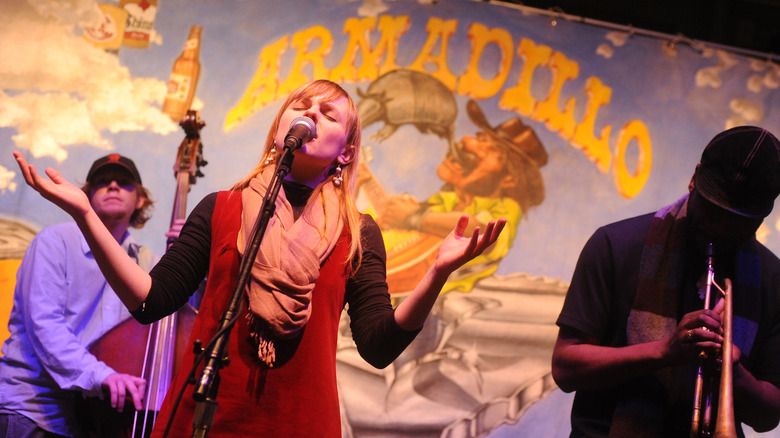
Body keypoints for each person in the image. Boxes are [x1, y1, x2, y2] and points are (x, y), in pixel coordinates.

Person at [13, 79, 506, 437]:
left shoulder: (359, 232)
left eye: (329, 114)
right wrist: (85, 216)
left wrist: (436, 273)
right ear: (280, 129)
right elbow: (150, 301)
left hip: (299, 422)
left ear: (345, 152)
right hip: (206, 414)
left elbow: (378, 345)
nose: (311, 113)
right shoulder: (223, 207)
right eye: (302, 105)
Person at [551, 126, 780, 437]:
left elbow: (768, 417)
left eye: (738, 223)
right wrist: (664, 351)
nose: (720, 229)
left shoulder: (773, 278)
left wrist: (733, 371)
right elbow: (565, 368)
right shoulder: (615, 244)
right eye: (712, 210)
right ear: (694, 178)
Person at [0, 154, 156, 437]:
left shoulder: (148, 265)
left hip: (93, 421)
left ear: (141, 200)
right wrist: (103, 375)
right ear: (85, 195)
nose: (112, 186)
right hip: (32, 410)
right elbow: (45, 327)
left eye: (124, 182)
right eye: (101, 182)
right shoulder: (54, 241)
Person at [378, 99, 547, 293]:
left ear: (509, 179)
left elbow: (485, 234)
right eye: (480, 138)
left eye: (491, 148)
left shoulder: (506, 207)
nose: (468, 143)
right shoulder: (447, 199)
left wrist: (416, 217)